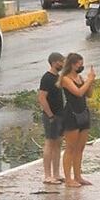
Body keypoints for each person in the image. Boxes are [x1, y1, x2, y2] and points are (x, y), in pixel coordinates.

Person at [60, 53, 95, 187]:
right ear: (72, 65)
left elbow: (88, 94)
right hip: (71, 115)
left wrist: (90, 81)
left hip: (83, 113)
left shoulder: (80, 78)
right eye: (79, 64)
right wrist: (89, 80)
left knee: (80, 148)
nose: (81, 66)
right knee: (70, 147)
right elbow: (78, 93)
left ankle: (78, 176)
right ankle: (68, 179)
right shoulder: (65, 79)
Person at [37, 52, 65, 185]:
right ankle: (47, 175)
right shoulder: (47, 78)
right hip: (51, 116)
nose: (63, 64)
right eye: (61, 61)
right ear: (54, 62)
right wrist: (50, 115)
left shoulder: (57, 77)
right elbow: (42, 97)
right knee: (49, 143)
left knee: (58, 143)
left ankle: (56, 173)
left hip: (60, 115)